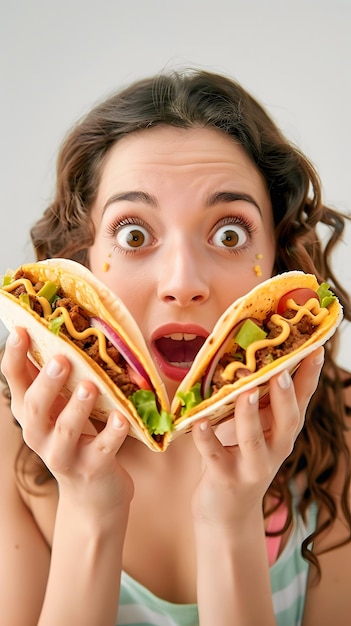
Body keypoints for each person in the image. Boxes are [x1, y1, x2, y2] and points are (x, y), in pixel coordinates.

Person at [0, 69, 350, 626]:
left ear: (279, 260)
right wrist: (90, 509)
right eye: (134, 235)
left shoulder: (343, 431)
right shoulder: (13, 438)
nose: (183, 281)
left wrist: (230, 518)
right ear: (82, 260)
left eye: (230, 233)